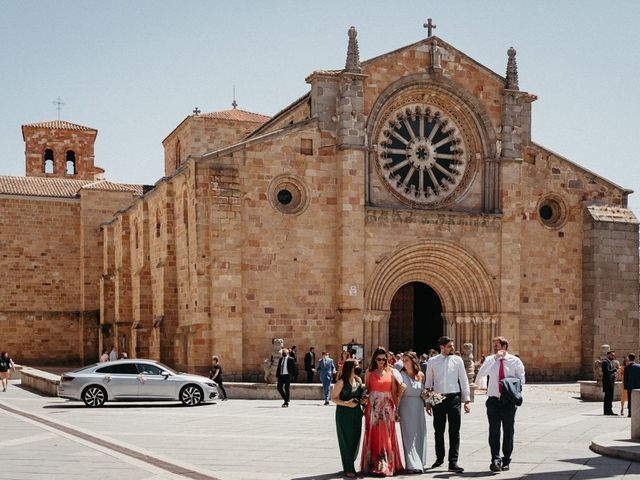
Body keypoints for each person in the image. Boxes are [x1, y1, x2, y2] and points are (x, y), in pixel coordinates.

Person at [477, 336, 525, 472]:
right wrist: (494, 359)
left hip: (508, 402)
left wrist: (510, 387)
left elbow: (521, 380)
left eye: (496, 346)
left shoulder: (515, 361)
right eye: (493, 346)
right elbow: (481, 373)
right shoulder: (490, 360)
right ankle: (495, 459)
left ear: (504, 347)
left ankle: (506, 459)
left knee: (508, 431)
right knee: (494, 431)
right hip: (493, 400)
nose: (494, 348)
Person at [424, 336, 470, 473]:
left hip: (454, 397)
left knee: (454, 431)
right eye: (449, 346)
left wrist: (466, 400)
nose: (452, 348)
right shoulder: (432, 361)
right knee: (439, 430)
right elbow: (428, 382)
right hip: (437, 397)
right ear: (442, 347)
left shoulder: (458, 360)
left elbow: (464, 380)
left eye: (452, 345)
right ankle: (439, 458)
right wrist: (427, 402)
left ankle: (453, 462)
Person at [361, 347, 404, 476]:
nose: (381, 361)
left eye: (383, 359)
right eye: (379, 359)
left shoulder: (391, 372)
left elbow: (394, 392)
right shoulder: (370, 372)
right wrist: (365, 406)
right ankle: (374, 464)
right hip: (373, 408)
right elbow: (367, 390)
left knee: (387, 435)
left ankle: (386, 465)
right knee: (374, 435)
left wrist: (397, 409)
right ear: (375, 359)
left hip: (388, 407)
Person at [331, 359, 365, 478]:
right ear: (350, 367)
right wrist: (346, 403)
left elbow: (360, 397)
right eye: (356, 365)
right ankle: (348, 467)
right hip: (344, 413)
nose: (358, 367)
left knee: (355, 439)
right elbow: (333, 398)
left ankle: (350, 462)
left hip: (357, 413)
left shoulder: (359, 380)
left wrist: (363, 401)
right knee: (345, 440)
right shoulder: (341, 382)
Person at [397, 352, 428, 473]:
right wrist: (397, 410)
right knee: (408, 435)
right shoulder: (400, 375)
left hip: (419, 407)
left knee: (419, 434)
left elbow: (424, 391)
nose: (404, 363)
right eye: (403, 360)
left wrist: (426, 396)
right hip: (406, 407)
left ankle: (419, 462)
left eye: (406, 360)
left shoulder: (420, 375)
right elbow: (397, 394)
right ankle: (411, 465)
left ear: (413, 361)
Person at [601, 350, 617, 416]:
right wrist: (614, 370)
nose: (613, 356)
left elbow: (609, 373)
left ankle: (608, 411)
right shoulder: (605, 362)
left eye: (614, 355)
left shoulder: (609, 362)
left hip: (610, 382)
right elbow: (607, 371)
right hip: (607, 383)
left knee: (609, 397)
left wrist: (613, 375)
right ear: (608, 355)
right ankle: (607, 411)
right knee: (608, 397)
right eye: (612, 355)